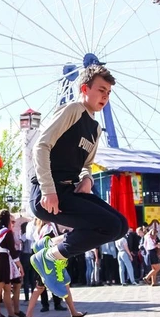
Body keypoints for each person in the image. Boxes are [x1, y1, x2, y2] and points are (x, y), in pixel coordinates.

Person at [28, 65, 129, 300]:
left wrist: (87, 178)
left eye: (109, 93)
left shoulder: (95, 128)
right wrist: (48, 190)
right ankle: (49, 257)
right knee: (110, 226)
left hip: (70, 190)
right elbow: (40, 146)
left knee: (120, 226)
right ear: (85, 88)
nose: (105, 96)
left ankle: (49, 246)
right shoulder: (73, 110)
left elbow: (86, 165)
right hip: (47, 193)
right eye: (101, 90)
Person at [19, 222, 35, 301]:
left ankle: (26, 298)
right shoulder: (33, 234)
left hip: (25, 256)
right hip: (32, 255)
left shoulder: (25, 235)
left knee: (26, 278)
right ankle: (33, 296)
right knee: (32, 278)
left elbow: (20, 243)